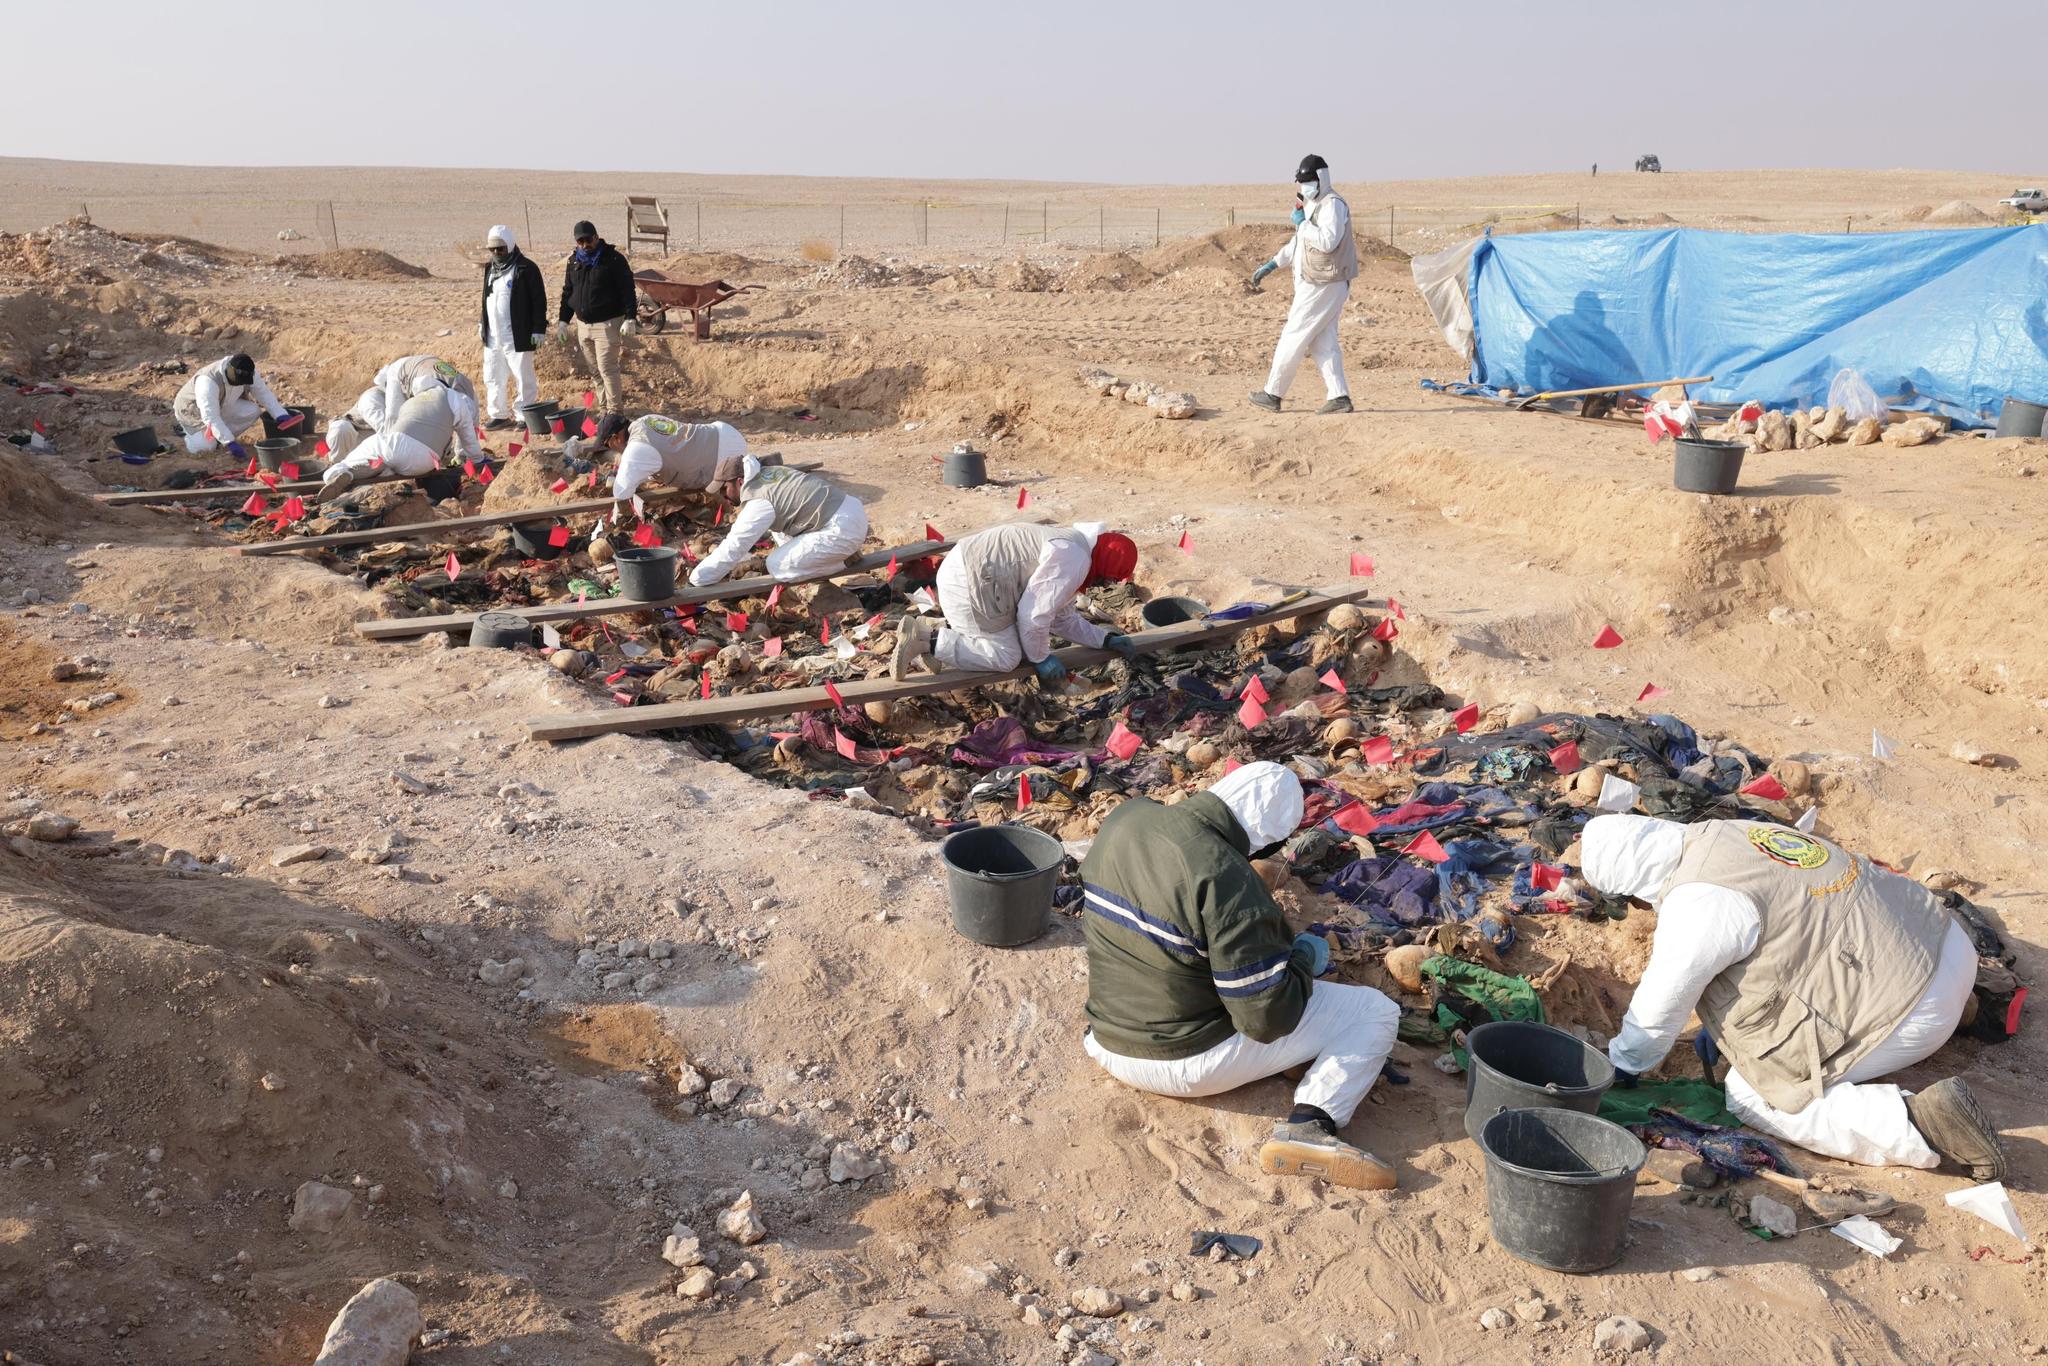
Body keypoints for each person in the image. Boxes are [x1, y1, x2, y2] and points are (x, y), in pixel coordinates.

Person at [1581, 814, 2005, 1177]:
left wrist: (1623, 1065)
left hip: (1915, 1003)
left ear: (1632, 887)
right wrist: (1721, 1026)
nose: (1638, 910)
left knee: (1753, 1094)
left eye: (1629, 903)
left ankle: (1920, 1126)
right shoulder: (1726, 832)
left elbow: (1657, 1011)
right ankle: (1966, 1009)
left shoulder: (1697, 899)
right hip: (1944, 941)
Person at [1080, 761, 1403, 1189]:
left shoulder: (1127, 818)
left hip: (1106, 1040)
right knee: (1375, 1011)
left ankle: (1294, 1063)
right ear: (1265, 838)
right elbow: (1265, 1020)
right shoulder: (1227, 878)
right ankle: (1311, 1125)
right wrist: (1300, 961)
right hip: (1181, 1059)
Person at [890, 522, 1138, 687]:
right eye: (1107, 578)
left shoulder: (1075, 547)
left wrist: (1103, 639)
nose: (1101, 585)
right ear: (1106, 562)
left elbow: (1061, 617)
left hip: (970, 574)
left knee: (1021, 646)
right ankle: (926, 640)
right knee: (1007, 657)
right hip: (970, 582)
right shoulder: (1074, 558)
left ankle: (932, 636)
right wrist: (1041, 658)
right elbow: (1034, 615)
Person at [1247, 154, 1357, 416]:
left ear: (1321, 178)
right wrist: (1274, 263)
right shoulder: (1313, 204)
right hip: (1320, 282)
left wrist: (1303, 224)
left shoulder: (1332, 205)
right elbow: (1300, 242)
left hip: (1322, 283)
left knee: (1293, 335)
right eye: (1302, 182)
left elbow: (1327, 241)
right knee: (1323, 342)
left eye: (1308, 181)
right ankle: (1339, 396)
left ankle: (1273, 393)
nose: (1304, 186)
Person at [688, 452, 868, 587]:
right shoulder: (768, 473)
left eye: (724, 489)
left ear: (740, 482)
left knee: (776, 566)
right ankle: (833, 555)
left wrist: (696, 580)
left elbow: (734, 546)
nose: (722, 496)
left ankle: (842, 561)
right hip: (846, 512)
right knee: (777, 530)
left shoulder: (759, 500)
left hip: (840, 530)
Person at [317, 383, 482, 502]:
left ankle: (339, 472)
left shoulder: (414, 401)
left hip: (396, 445)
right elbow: (469, 441)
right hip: (425, 462)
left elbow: (390, 431)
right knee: (386, 461)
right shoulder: (456, 403)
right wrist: (477, 462)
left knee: (378, 454)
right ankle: (372, 472)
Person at [557, 219, 638, 418]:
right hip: (583, 326)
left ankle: (615, 413)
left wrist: (630, 317)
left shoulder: (613, 259)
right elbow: (568, 292)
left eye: (588, 240)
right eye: (580, 242)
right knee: (594, 370)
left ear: (596, 237)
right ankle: (604, 410)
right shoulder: (574, 261)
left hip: (607, 324)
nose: (585, 245)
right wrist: (563, 321)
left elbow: (627, 289)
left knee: (607, 369)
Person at [584, 412, 747, 502]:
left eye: (607, 445)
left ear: (616, 438)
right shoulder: (645, 420)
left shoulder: (636, 449)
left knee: (740, 494)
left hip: (723, 455)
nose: (610, 448)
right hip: (721, 432)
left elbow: (621, 493)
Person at [477, 225, 548, 430]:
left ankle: (524, 415)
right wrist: (483, 322)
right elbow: (486, 298)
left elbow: (538, 301)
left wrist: (538, 329)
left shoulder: (526, 268)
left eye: (501, 248)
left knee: (522, 376)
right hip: (493, 335)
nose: (497, 252)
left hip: (517, 333)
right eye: (493, 249)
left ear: (509, 245)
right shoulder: (490, 269)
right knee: (493, 375)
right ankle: (498, 414)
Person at [173, 352, 299, 455]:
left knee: (253, 411)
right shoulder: (208, 382)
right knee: (205, 448)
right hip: (192, 412)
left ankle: (218, 437)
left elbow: (263, 393)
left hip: (221, 404)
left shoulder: (247, 371)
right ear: (231, 371)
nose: (242, 384)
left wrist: (280, 414)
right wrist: (230, 442)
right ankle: (187, 431)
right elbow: (210, 416)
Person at [374, 353, 477, 427]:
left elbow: (468, 433)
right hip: (411, 368)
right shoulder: (467, 394)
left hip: (424, 364)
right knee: (396, 415)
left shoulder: (470, 399)